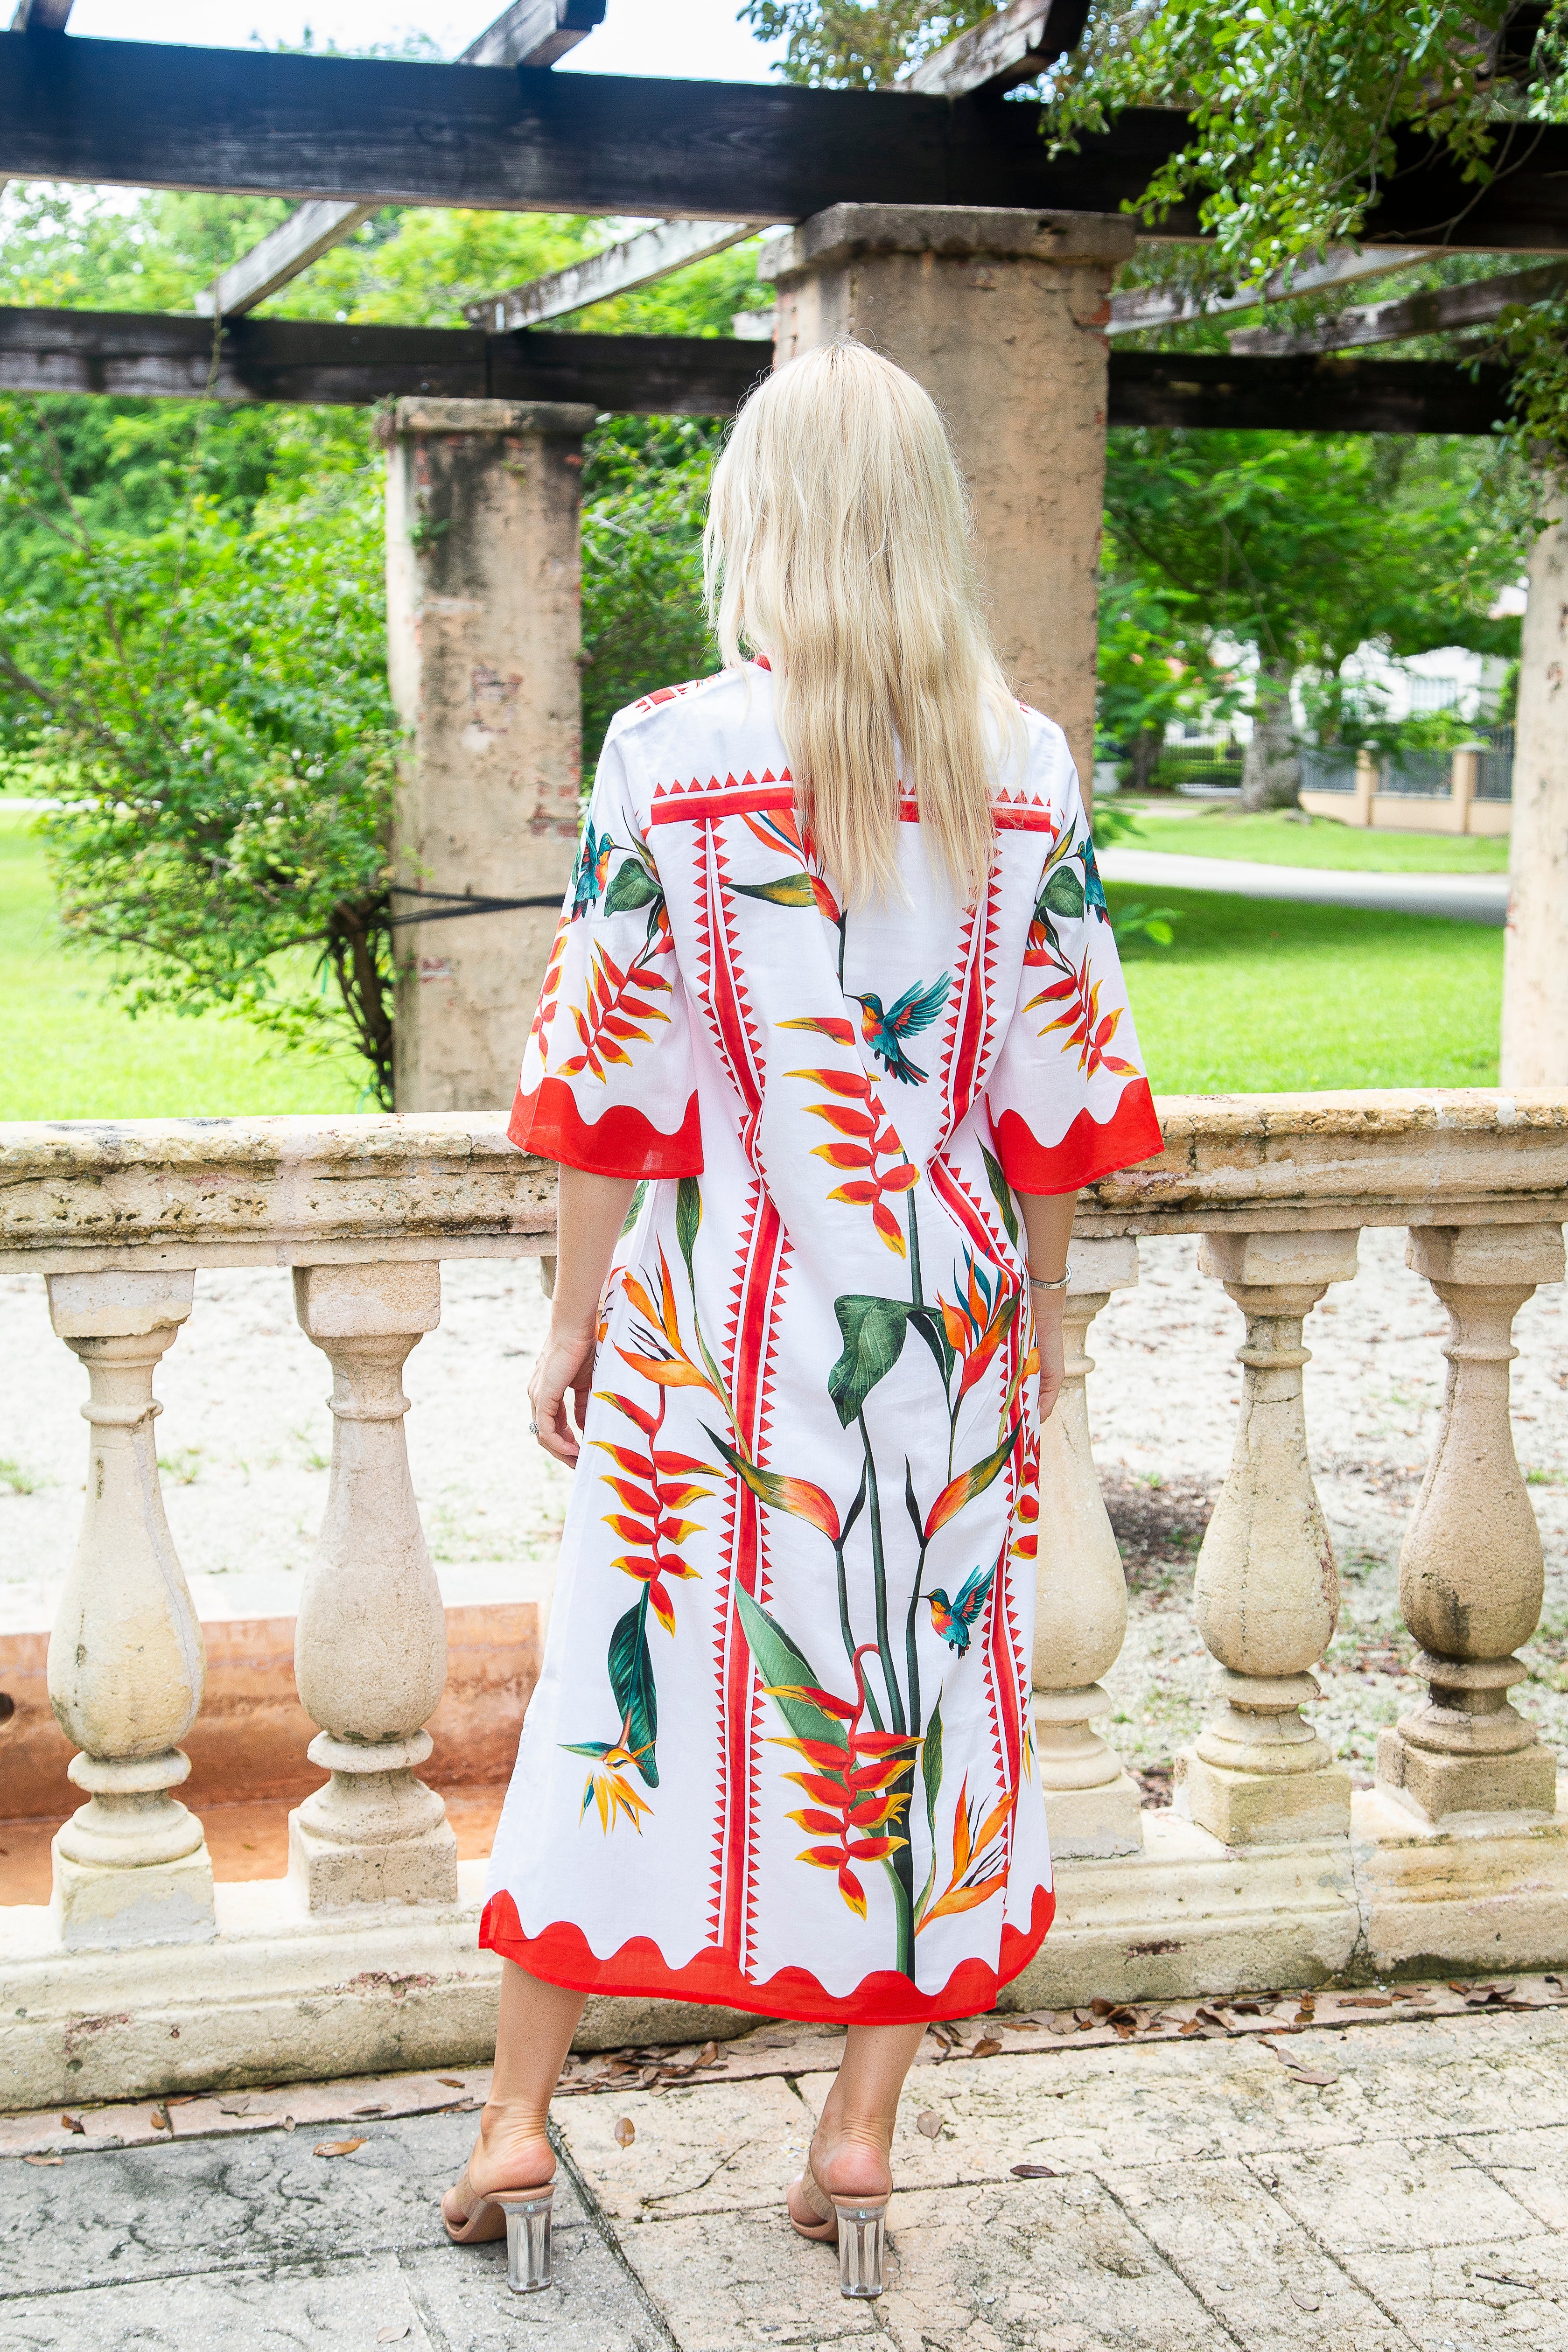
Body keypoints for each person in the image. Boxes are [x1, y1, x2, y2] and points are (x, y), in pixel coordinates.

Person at [442, 340, 1162, 2299]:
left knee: (621, 1695)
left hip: (716, 1316)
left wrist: (571, 1318)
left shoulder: (666, 751)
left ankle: (516, 2122)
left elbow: (611, 1079)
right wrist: (1042, 1324)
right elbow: (1058, 1099)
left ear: (755, 514)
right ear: (927, 517)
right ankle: (855, 2139)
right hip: (945, 1320)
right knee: (920, 1709)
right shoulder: (1025, 763)